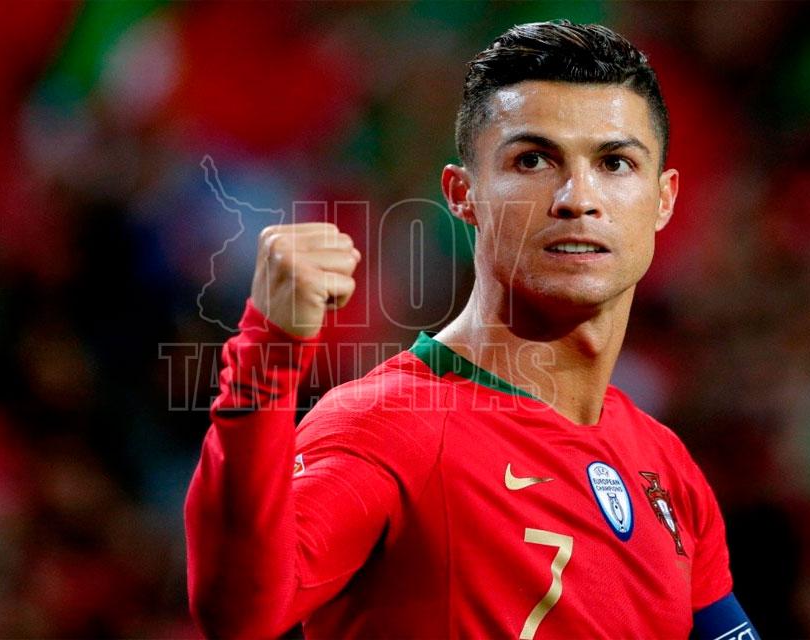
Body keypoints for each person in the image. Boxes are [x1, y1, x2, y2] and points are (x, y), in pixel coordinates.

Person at [185, 20, 760, 639]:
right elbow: (242, 613)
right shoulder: (389, 426)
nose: (577, 198)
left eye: (615, 162)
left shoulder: (667, 469)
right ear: (463, 194)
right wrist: (269, 352)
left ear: (664, 199)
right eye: (532, 160)